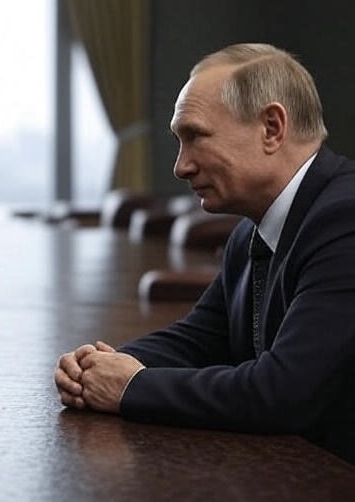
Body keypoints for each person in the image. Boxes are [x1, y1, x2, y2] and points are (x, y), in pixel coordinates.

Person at [54, 42, 355, 464]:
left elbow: (283, 394)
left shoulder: (345, 219)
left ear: (271, 128)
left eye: (195, 136)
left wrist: (130, 387)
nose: (181, 166)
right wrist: (103, 366)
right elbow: (199, 339)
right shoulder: (252, 228)